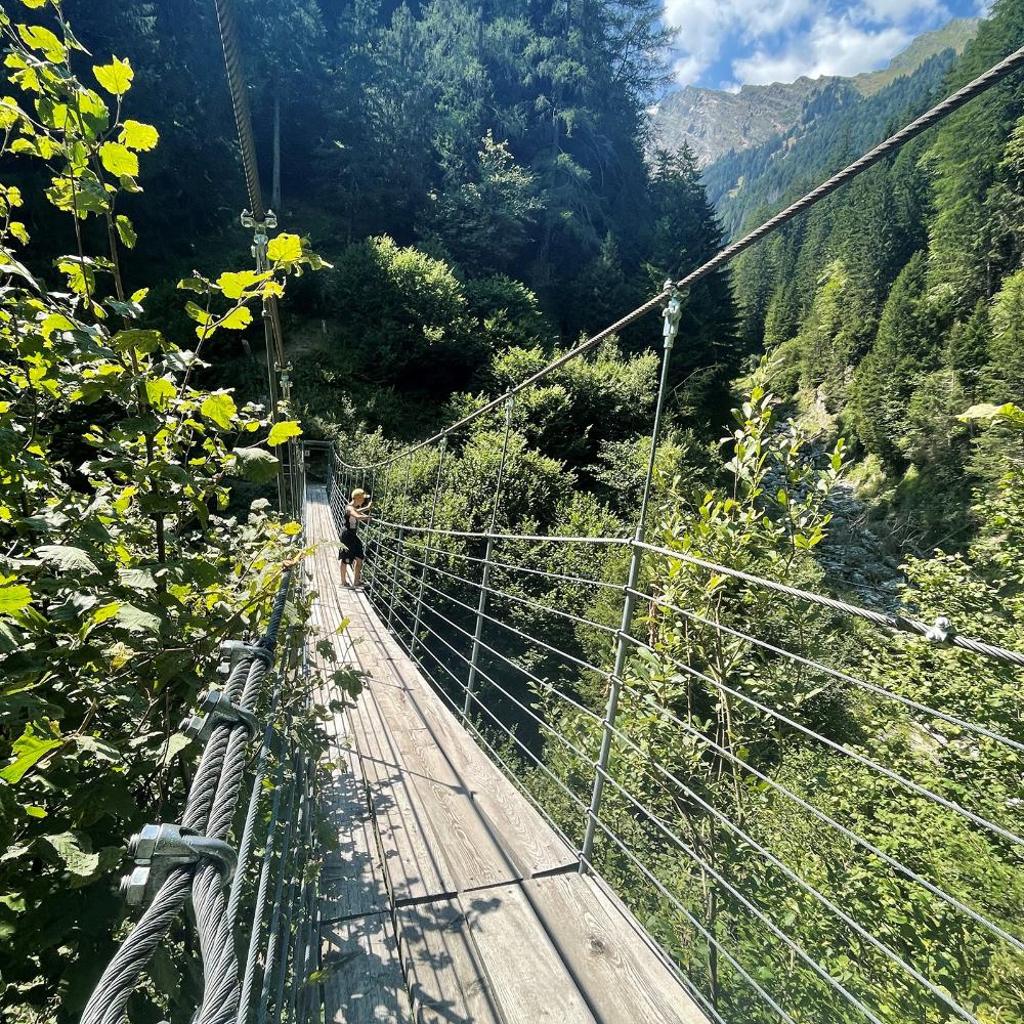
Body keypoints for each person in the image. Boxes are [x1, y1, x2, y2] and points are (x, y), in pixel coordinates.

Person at [339, 488, 372, 588]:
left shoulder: (352, 507)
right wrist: (368, 517)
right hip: (347, 536)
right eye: (363, 498)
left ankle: (356, 582)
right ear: (358, 498)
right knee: (345, 559)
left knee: (359, 557)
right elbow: (357, 515)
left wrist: (367, 508)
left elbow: (357, 511)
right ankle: (343, 583)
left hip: (352, 535)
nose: (364, 500)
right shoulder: (349, 508)